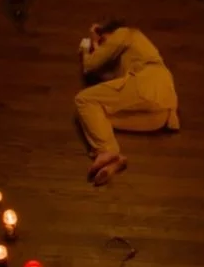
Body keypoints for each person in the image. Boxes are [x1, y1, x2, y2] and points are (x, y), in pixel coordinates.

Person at [75, 18, 180, 185]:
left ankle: (106, 150)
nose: (104, 46)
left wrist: (91, 43)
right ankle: (113, 160)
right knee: (97, 116)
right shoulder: (131, 60)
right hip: (158, 117)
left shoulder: (125, 33)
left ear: (110, 32)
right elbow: (108, 83)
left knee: (84, 100)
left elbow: (91, 65)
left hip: (148, 86)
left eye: (104, 41)